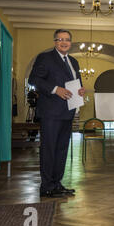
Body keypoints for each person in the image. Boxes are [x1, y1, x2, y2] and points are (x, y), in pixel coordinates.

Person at [28, 29, 85, 198]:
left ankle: (56, 184)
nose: (64, 42)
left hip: (68, 111)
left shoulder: (74, 61)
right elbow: (34, 80)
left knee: (61, 150)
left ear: (70, 42)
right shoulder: (45, 58)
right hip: (51, 113)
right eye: (60, 39)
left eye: (67, 39)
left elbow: (76, 82)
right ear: (55, 42)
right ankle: (46, 186)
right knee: (49, 149)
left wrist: (80, 90)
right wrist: (55, 89)